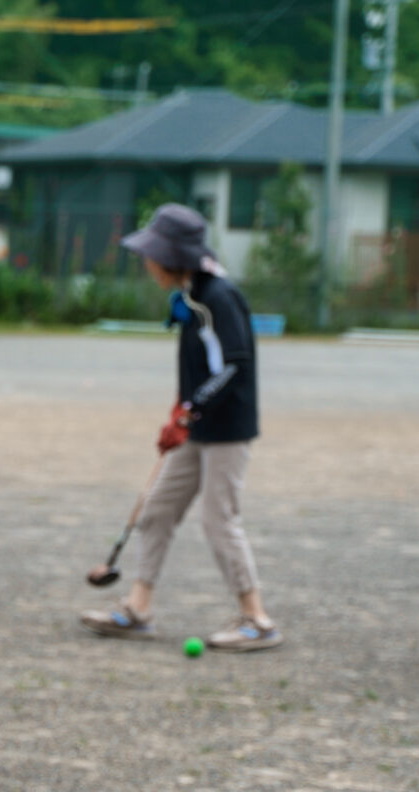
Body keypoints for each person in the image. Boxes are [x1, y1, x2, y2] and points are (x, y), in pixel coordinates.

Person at [81, 202, 281, 652]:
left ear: (172, 258)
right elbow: (199, 368)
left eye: (151, 255)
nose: (147, 263)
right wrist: (179, 411)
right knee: (157, 509)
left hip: (227, 429)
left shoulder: (218, 297)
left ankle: (257, 619)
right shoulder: (191, 295)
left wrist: (191, 410)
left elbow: (234, 364)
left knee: (218, 519)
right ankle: (138, 609)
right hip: (197, 425)